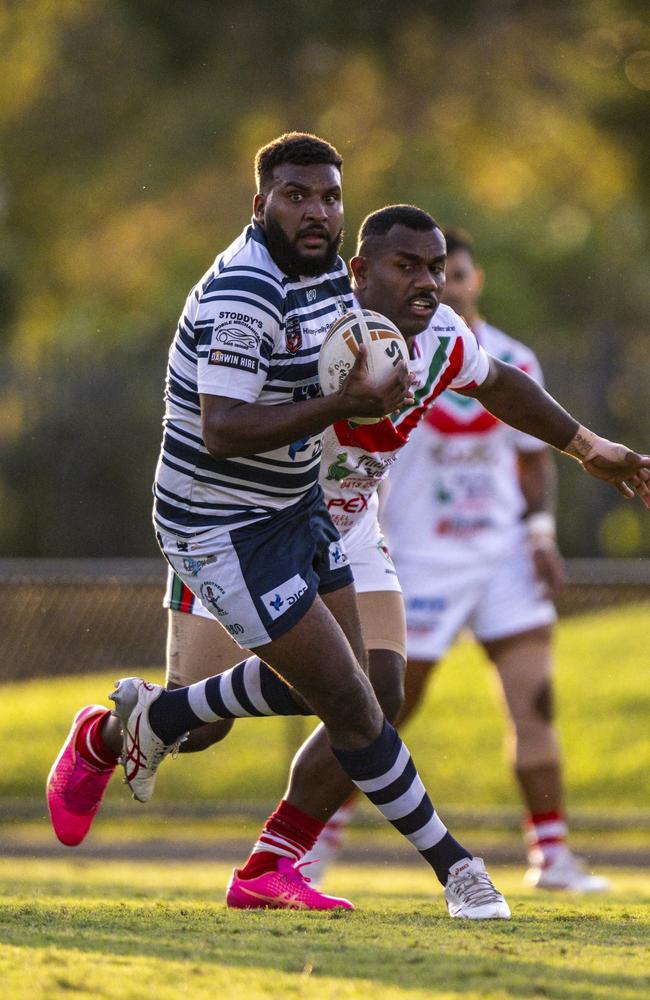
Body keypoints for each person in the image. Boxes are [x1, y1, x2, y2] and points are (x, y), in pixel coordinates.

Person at [48, 191, 649, 915]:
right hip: (242, 528)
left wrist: (589, 448)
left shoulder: (442, 337)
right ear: (359, 270)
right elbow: (226, 419)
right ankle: (109, 735)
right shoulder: (308, 324)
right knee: (206, 726)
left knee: (376, 696)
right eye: (406, 266)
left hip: (348, 531)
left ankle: (270, 864)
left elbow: (499, 385)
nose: (428, 282)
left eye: (435, 268)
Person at [308, 227, 611, 892]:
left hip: (502, 557)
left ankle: (552, 855)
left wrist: (538, 532)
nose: (442, 284)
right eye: (425, 270)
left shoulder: (510, 357)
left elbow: (533, 460)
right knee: (379, 709)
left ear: (471, 282)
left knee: (536, 700)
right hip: (420, 556)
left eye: (454, 273)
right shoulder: (378, 351)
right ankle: (313, 842)